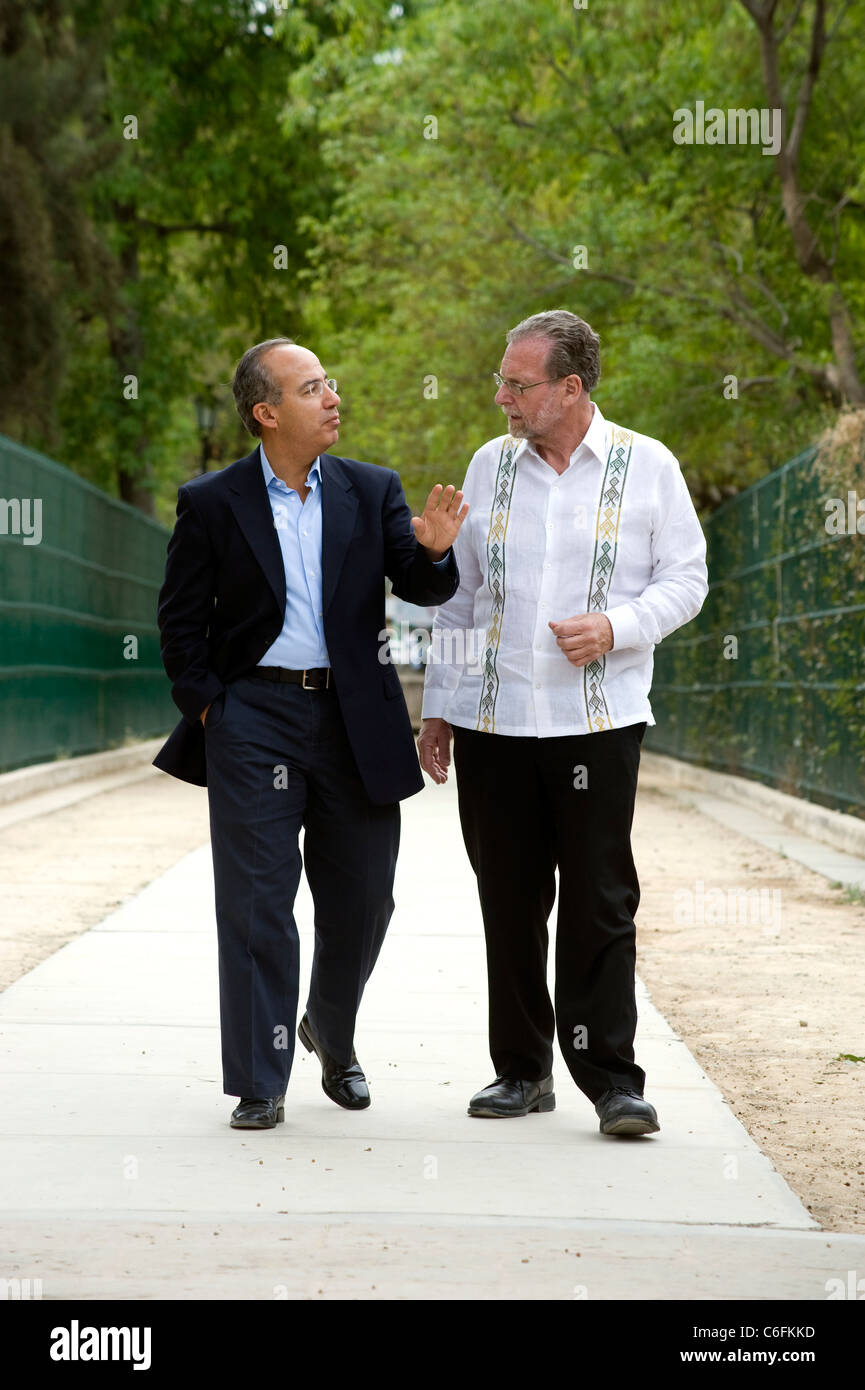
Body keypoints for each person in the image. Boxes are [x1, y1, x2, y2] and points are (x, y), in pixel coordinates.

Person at [153, 337, 467, 1128]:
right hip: (253, 717)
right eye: (311, 388)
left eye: (330, 385)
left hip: (354, 717)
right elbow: (180, 622)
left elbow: (421, 585)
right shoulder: (212, 501)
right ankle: (261, 1078)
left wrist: (435, 551)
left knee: (364, 900)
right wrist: (209, 709)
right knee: (257, 901)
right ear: (266, 413)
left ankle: (330, 1027)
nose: (332, 399)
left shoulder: (371, 489)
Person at [418, 310, 708, 1136]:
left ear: (569, 388)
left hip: (599, 723)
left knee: (599, 901)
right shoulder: (488, 465)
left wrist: (618, 627)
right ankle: (520, 1072)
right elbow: (462, 599)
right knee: (508, 900)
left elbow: (686, 580)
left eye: (517, 384)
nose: (501, 397)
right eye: (501, 381)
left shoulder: (646, 465)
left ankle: (612, 1081)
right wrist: (439, 709)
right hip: (494, 723)